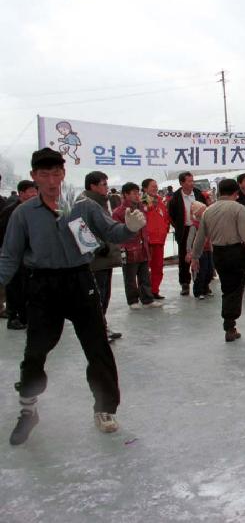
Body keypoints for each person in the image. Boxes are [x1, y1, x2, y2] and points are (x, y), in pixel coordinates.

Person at [1, 149, 146, 445]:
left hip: (80, 281)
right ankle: (28, 410)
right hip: (42, 285)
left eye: (56, 174)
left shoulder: (80, 206)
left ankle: (105, 408)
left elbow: (111, 232)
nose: (52, 181)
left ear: (64, 174)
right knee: (35, 352)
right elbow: (9, 256)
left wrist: (130, 228)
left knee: (98, 347)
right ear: (34, 177)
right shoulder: (23, 214)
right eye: (44, 175)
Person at [190, 179, 245, 342]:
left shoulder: (208, 211)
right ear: (236, 193)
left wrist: (195, 257)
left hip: (217, 253)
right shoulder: (238, 208)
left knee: (228, 287)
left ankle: (230, 324)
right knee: (234, 289)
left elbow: (200, 237)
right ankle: (229, 326)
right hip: (234, 251)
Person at [79, 171, 123, 340]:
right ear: (93, 186)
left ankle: (102, 325)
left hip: (106, 258)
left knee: (104, 295)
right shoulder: (85, 203)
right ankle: (96, 329)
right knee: (97, 296)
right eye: (104, 184)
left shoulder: (101, 202)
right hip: (95, 259)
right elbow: (80, 229)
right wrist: (100, 247)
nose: (107, 187)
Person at [112, 182, 162, 310]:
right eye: (134, 193)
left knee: (144, 275)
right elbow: (116, 232)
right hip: (128, 248)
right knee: (130, 277)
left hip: (143, 246)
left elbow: (154, 202)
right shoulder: (119, 212)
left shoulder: (142, 207)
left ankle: (147, 298)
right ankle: (132, 300)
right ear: (125, 195)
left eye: (137, 193)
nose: (137, 196)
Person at [0, 180, 39, 330]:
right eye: (30, 191)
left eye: (35, 191)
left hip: (30, 257)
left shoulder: (34, 209)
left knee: (27, 288)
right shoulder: (12, 211)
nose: (34, 194)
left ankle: (26, 316)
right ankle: (13, 316)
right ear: (21, 193)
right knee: (14, 287)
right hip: (15, 256)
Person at [167, 172, 209, 296]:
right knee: (184, 258)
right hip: (184, 230)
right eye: (189, 181)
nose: (192, 183)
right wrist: (179, 227)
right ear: (181, 183)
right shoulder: (175, 197)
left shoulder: (197, 193)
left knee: (202, 257)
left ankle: (203, 283)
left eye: (192, 181)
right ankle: (185, 283)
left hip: (199, 229)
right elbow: (172, 216)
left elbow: (205, 209)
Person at [141, 179, 169, 299]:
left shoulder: (160, 202)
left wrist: (165, 229)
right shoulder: (143, 201)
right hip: (148, 240)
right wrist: (151, 200)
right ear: (145, 189)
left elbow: (166, 218)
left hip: (159, 240)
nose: (155, 188)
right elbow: (147, 210)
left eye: (156, 186)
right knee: (145, 269)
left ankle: (154, 290)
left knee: (158, 267)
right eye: (153, 186)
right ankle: (145, 292)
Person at [186, 202, 214, 298]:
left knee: (210, 271)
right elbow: (190, 240)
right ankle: (198, 291)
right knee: (200, 271)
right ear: (198, 213)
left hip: (208, 250)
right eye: (203, 210)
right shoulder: (194, 226)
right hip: (199, 252)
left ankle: (205, 287)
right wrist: (189, 252)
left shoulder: (207, 223)